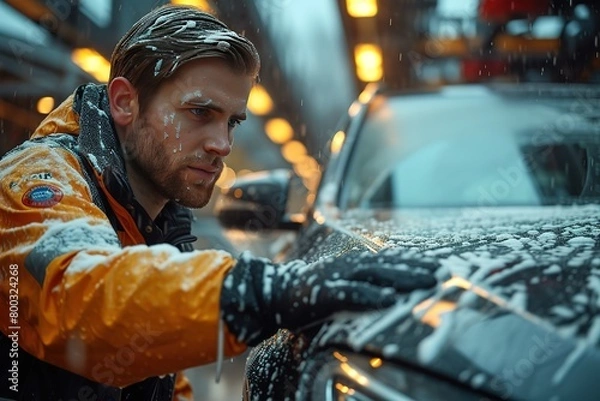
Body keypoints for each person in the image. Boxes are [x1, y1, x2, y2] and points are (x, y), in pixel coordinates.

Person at [0, 4, 436, 400]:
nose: (223, 144)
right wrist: (264, 291)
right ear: (124, 102)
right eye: (199, 113)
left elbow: (162, 381)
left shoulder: (152, 222)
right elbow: (77, 297)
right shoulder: (36, 178)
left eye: (233, 121)